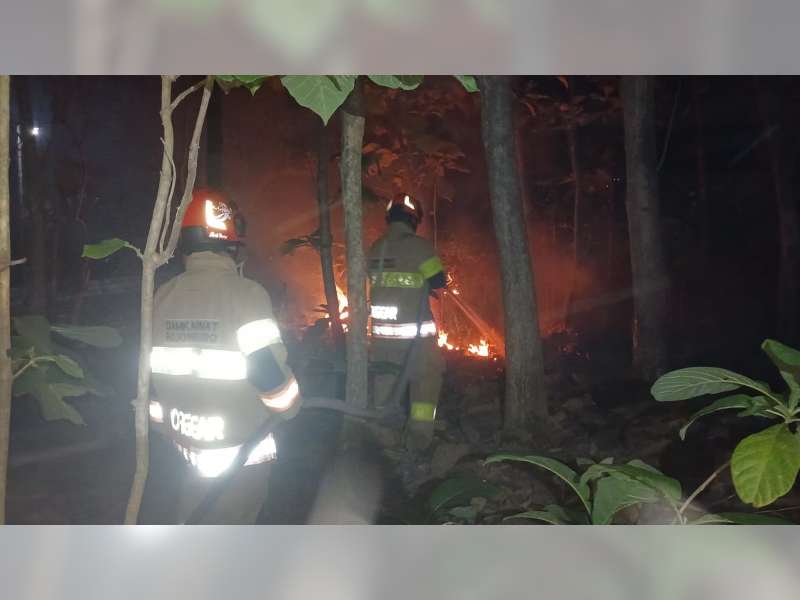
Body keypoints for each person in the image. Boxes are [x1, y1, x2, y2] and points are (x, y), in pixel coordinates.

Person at [140, 188, 301, 524]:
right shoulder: (246, 294)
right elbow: (268, 374)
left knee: (195, 519)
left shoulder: (162, 294)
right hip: (240, 455)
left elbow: (149, 373)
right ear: (230, 240)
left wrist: (166, 425)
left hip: (185, 447)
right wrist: (291, 410)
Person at [367, 192, 447, 452]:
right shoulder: (419, 246)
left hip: (381, 339)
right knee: (426, 381)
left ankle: (382, 441)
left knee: (384, 386)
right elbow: (438, 281)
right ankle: (418, 439)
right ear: (414, 219)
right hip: (417, 340)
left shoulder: (375, 248)